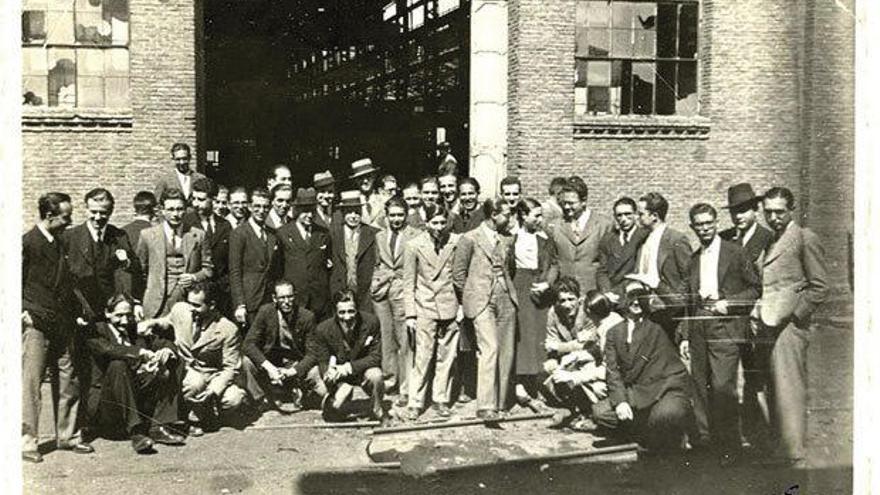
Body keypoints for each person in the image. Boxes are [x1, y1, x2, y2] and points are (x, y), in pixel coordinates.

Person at [755, 187, 828, 468]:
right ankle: (782, 449)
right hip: (771, 324)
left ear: (791, 209)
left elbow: (820, 286)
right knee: (775, 387)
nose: (773, 217)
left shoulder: (803, 238)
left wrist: (797, 316)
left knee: (790, 387)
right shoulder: (772, 241)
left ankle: (794, 452)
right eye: (768, 212)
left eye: (779, 211)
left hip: (790, 328)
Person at [682, 203, 760, 465]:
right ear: (693, 227)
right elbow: (689, 301)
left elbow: (754, 290)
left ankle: (730, 446)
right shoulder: (694, 259)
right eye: (699, 224)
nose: (704, 228)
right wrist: (684, 335)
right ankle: (707, 442)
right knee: (699, 385)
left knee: (722, 387)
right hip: (699, 325)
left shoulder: (735, 253)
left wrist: (730, 303)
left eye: (708, 223)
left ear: (716, 223)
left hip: (725, 324)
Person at [22, 192, 93, 462]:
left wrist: (78, 312)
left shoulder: (61, 242)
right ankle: (27, 441)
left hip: (63, 322)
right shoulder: (28, 243)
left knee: (68, 378)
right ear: (50, 216)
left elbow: (69, 284)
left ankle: (68, 436)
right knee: (32, 382)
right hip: (37, 322)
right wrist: (22, 313)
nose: (70, 221)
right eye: (66, 216)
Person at [592, 284, 692, 452]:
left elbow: (677, 306)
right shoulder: (614, 332)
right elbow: (612, 372)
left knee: (664, 417)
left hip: (666, 388)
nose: (637, 302)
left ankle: (664, 431)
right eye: (632, 296)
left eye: (641, 296)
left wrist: (657, 286)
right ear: (624, 299)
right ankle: (644, 429)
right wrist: (621, 402)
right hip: (637, 391)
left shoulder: (658, 323)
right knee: (601, 413)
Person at [84, 293, 185, 453]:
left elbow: (162, 342)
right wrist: (140, 353)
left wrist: (166, 350)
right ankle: (136, 432)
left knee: (174, 360)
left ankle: (158, 426)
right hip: (106, 407)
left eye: (128, 315)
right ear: (107, 313)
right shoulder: (96, 331)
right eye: (119, 316)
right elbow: (109, 350)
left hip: (133, 398)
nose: (124, 321)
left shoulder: (133, 329)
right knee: (118, 365)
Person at [139, 283, 247, 433]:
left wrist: (213, 391)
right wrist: (152, 323)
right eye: (189, 303)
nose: (190, 308)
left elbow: (230, 368)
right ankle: (188, 418)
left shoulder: (228, 329)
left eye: (196, 305)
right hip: (187, 371)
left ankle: (208, 413)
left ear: (212, 305)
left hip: (212, 375)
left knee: (234, 398)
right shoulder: (180, 309)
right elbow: (167, 322)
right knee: (195, 383)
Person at [718, 183, 774, 447]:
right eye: (734, 212)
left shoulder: (768, 238)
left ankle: (766, 432)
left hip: (756, 319)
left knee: (757, 377)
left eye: (743, 210)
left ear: (755, 209)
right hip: (728, 319)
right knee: (730, 378)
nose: (738, 216)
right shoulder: (725, 237)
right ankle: (737, 434)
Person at [453, 198, 518, 419]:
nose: (510, 218)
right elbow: (459, 275)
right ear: (493, 215)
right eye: (506, 214)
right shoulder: (470, 238)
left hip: (506, 298)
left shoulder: (508, 239)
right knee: (489, 348)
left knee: (506, 350)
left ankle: (500, 404)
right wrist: (471, 296)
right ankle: (486, 406)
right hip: (481, 301)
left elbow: (511, 268)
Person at [400, 203, 463, 420]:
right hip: (424, 306)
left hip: (450, 307)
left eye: (442, 222)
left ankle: (440, 399)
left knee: (446, 357)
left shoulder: (455, 242)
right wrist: (410, 314)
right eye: (434, 222)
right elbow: (408, 282)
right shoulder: (414, 245)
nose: (438, 227)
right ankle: (415, 402)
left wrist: (461, 306)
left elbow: (460, 277)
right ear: (426, 222)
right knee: (423, 356)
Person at [241, 281, 324, 414]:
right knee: (246, 362)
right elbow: (248, 344)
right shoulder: (265, 312)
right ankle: (261, 399)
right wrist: (270, 368)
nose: (287, 302)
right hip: (272, 361)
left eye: (290, 297)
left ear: (294, 296)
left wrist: (294, 371)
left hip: (295, 363)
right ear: (275, 298)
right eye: (282, 298)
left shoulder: (307, 316)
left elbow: (313, 353)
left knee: (320, 383)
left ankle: (301, 393)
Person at [542, 279, 615, 428]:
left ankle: (590, 413)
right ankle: (574, 409)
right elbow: (550, 341)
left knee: (582, 372)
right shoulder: (553, 313)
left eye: (571, 299)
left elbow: (589, 344)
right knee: (549, 372)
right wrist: (555, 357)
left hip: (595, 360)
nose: (567, 305)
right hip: (578, 355)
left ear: (579, 298)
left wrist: (560, 348)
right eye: (562, 300)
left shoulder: (590, 310)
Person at [509, 198, 558, 405]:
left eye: (540, 215)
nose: (540, 219)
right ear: (523, 216)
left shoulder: (545, 238)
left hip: (539, 288)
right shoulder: (512, 238)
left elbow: (554, 263)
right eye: (535, 215)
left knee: (539, 333)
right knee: (522, 336)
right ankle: (519, 383)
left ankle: (537, 381)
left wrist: (547, 283)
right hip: (519, 287)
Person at [311, 290, 388, 423]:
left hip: (361, 370)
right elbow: (322, 360)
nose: (347, 317)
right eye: (342, 312)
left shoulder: (371, 322)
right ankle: (336, 402)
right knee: (332, 406)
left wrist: (348, 368)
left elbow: (375, 357)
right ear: (335, 312)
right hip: (337, 375)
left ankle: (377, 410)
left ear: (357, 309)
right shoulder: (323, 329)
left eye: (351, 311)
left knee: (376, 376)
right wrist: (329, 373)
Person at [65, 187, 140, 323]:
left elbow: (135, 267)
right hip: (79, 309)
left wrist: (126, 261)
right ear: (86, 210)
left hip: (110, 311)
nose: (98, 217)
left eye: (103, 213)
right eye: (93, 212)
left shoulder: (119, 236)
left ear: (111, 212)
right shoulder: (70, 237)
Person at [371, 196, 421, 400]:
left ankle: (406, 385)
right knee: (386, 337)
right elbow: (377, 262)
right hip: (382, 291)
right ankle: (390, 379)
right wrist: (378, 281)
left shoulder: (415, 235)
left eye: (400, 214)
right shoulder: (379, 236)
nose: (396, 219)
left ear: (406, 215)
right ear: (386, 215)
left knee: (405, 339)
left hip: (403, 290)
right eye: (392, 215)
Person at [137, 188, 214, 319]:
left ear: (185, 209)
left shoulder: (198, 235)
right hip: (156, 304)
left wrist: (194, 277)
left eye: (179, 209)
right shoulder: (147, 236)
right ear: (162, 210)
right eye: (170, 209)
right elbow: (140, 272)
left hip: (187, 302)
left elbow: (208, 270)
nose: (175, 214)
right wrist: (138, 302)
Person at [630, 192, 692, 343]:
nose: (636, 218)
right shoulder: (642, 240)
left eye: (641, 214)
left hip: (670, 314)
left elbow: (689, 278)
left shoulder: (676, 240)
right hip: (647, 313)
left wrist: (675, 302)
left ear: (654, 216)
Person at [547, 178, 613, 294]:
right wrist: (548, 283)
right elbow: (555, 262)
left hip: (594, 292)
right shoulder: (556, 226)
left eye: (571, 203)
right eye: (564, 203)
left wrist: (606, 291)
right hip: (566, 294)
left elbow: (608, 263)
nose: (567, 207)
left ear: (584, 201)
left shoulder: (604, 224)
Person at [277, 187, 332, 321]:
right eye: (305, 211)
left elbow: (328, 262)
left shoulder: (323, 233)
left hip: (319, 299)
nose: (309, 215)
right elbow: (277, 267)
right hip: (296, 297)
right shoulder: (283, 233)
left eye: (312, 211)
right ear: (297, 211)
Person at [229, 188, 282, 326]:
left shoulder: (273, 234)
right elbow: (235, 272)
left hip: (269, 300)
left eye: (265, 207)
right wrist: (240, 304)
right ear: (250, 207)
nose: (261, 210)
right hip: (249, 300)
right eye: (257, 206)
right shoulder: (239, 234)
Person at [186, 178, 232, 317]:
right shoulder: (186, 223)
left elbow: (228, 262)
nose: (195, 203)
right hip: (193, 294)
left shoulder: (225, 226)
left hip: (219, 295)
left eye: (201, 199)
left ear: (213, 199)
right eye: (193, 198)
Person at [329, 191, 379, 313]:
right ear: (342, 213)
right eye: (349, 212)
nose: (353, 216)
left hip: (365, 291)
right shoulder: (333, 234)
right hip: (340, 291)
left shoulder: (373, 233)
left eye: (357, 212)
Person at [597, 197, 648, 303]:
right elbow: (602, 270)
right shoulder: (607, 239)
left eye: (628, 214)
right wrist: (607, 292)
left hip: (634, 296)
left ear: (635, 215)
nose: (624, 219)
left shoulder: (645, 236)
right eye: (619, 215)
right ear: (615, 217)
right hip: (612, 296)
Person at [350, 158, 385, 227]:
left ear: (374, 177)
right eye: (360, 178)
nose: (365, 181)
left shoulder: (384, 200)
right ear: (355, 181)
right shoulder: (352, 202)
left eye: (368, 176)